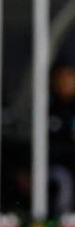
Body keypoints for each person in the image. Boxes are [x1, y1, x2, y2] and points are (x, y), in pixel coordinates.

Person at [49, 62, 75, 215]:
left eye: (69, 76)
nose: (65, 81)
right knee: (62, 179)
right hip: (56, 167)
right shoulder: (49, 106)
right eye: (61, 77)